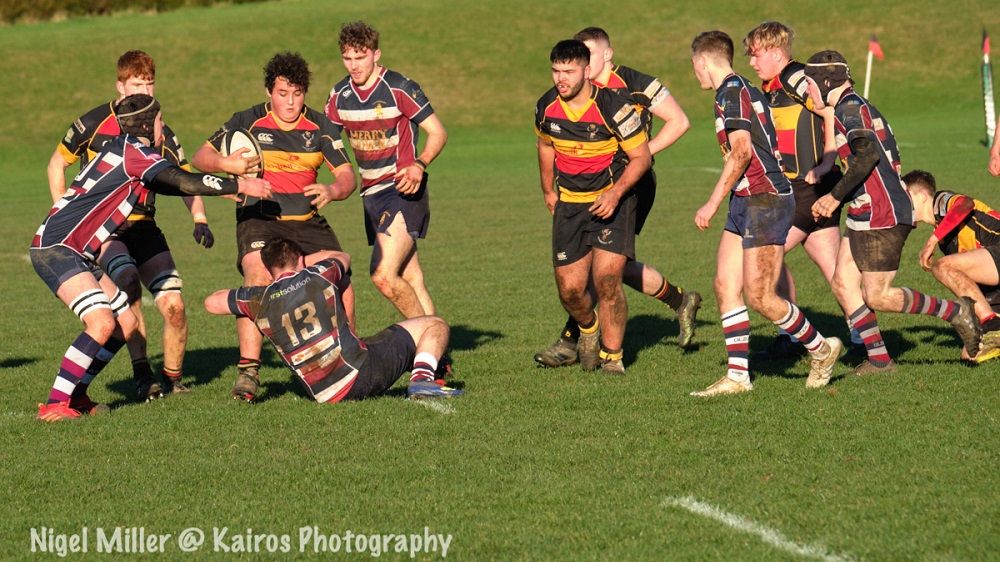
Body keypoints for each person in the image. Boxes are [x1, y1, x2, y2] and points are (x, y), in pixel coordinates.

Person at [32, 94, 272, 421]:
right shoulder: (136, 153)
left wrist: (217, 188)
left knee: (125, 324)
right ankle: (56, 403)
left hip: (75, 248)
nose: (164, 126)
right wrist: (238, 183)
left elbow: (175, 182)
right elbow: (182, 180)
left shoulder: (124, 148)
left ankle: (76, 394)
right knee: (102, 322)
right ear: (148, 124)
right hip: (59, 247)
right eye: (160, 120)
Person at [46, 50, 213, 400]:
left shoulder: (161, 130)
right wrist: (67, 216)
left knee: (175, 307)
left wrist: (199, 219)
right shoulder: (93, 123)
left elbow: (184, 179)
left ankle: (174, 379)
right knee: (127, 284)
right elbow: (56, 165)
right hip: (107, 232)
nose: (146, 90)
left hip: (145, 227)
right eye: (138, 84)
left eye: (150, 83)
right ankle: (142, 375)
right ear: (120, 86)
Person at [532, 27, 701, 368]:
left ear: (605, 55)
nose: (576, 69)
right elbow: (545, 143)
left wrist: (638, 155)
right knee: (600, 269)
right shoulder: (558, 100)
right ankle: (677, 300)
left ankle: (579, 344)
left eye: (587, 57)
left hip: (630, 184)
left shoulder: (633, 86)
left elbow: (680, 121)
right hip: (582, 188)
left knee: (607, 268)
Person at [192, 52, 356, 402]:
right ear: (270, 91)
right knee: (257, 278)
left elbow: (346, 177)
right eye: (283, 93)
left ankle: (347, 356)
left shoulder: (320, 126)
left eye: (297, 94)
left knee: (341, 276)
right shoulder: (247, 121)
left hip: (306, 221)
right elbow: (200, 157)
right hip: (260, 220)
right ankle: (249, 371)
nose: (290, 102)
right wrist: (226, 162)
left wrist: (331, 190)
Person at [688, 31, 843, 396]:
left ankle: (821, 348)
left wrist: (710, 201)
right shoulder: (748, 88)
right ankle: (738, 377)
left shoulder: (730, 92)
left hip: (765, 199)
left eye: (694, 66)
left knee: (760, 297)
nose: (694, 74)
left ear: (703, 61)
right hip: (746, 199)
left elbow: (741, 153)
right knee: (725, 284)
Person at [805, 50, 982, 368]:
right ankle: (880, 361)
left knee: (878, 296)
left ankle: (957, 312)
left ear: (826, 81)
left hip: (883, 212)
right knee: (843, 282)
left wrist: (834, 196)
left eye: (809, 83)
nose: (808, 91)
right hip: (866, 210)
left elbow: (867, 154)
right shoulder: (850, 107)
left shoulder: (849, 109)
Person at [743, 22, 872, 361]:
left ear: (775, 53)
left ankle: (795, 334)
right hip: (806, 188)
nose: (752, 63)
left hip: (809, 187)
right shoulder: (771, 86)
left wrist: (829, 160)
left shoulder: (795, 77)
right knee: (834, 271)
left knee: (768, 252)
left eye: (755, 55)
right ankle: (865, 342)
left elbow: (830, 110)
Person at [203, 238, 462, 401]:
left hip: (321, 393)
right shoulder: (319, 274)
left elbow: (211, 302)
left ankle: (426, 373)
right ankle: (421, 381)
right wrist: (308, 263)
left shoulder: (259, 299)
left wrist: (250, 292)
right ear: (300, 260)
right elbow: (344, 258)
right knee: (434, 324)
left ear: (269, 270)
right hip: (360, 376)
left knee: (374, 343)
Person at [534, 39, 652, 375]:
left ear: (587, 71)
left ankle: (613, 357)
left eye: (569, 71)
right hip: (570, 204)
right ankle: (588, 328)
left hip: (612, 202)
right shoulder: (546, 106)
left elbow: (641, 158)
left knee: (608, 279)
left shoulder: (614, 106)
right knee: (570, 291)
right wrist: (547, 189)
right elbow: (544, 145)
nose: (561, 78)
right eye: (556, 71)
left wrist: (615, 194)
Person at [325, 21, 447, 322]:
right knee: (411, 277)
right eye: (347, 58)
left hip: (402, 190)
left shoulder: (398, 87)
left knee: (383, 276)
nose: (354, 65)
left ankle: (425, 344)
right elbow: (325, 142)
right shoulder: (339, 95)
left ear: (376, 54)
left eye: (360, 57)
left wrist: (419, 165)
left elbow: (438, 133)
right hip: (371, 196)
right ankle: (439, 356)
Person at [905, 170, 1000, 362]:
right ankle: (992, 322)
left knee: (942, 266)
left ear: (923, 196)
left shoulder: (941, 201)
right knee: (970, 355)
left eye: (905, 197)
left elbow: (966, 204)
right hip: (993, 276)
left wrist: (932, 240)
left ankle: (991, 322)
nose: (900, 204)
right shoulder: (944, 238)